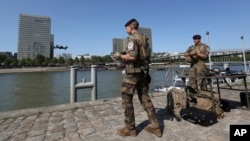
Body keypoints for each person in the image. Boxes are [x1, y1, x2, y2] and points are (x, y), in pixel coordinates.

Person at [112, 18, 162, 137]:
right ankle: (156, 127)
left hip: (132, 74)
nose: (126, 30)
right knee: (145, 99)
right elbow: (143, 54)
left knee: (126, 99)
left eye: (126, 28)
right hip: (142, 73)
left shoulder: (133, 39)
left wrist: (120, 56)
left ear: (131, 27)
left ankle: (130, 128)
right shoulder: (144, 38)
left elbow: (133, 57)